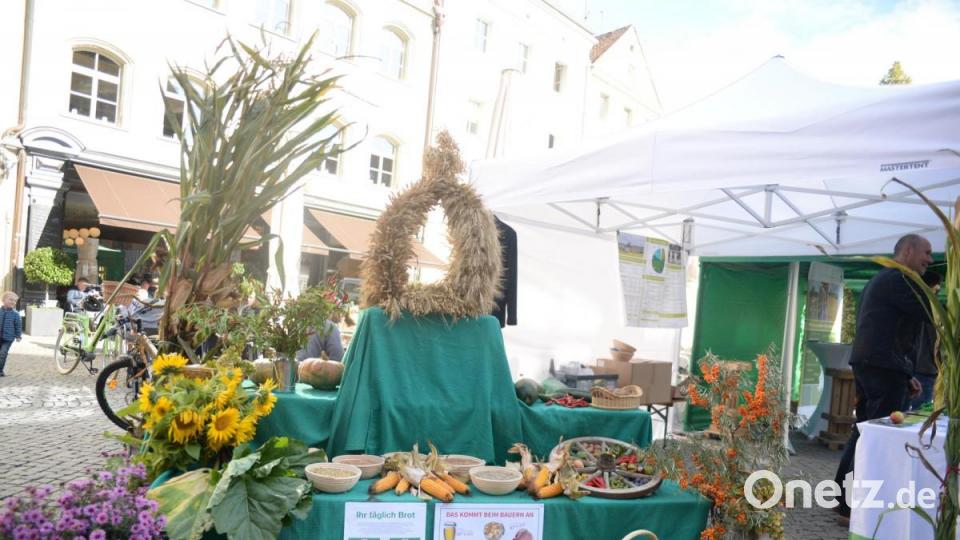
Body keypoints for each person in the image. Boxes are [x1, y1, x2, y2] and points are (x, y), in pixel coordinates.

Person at [834, 233, 933, 519]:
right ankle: (854, 506)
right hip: (881, 365)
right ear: (909, 250)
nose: (929, 259)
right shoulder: (898, 280)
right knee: (876, 436)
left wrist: (905, 375)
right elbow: (928, 312)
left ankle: (843, 500)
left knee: (863, 431)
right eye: (926, 253)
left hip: (874, 363)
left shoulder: (883, 278)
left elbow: (887, 330)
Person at [908, 270, 942, 410]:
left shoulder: (913, 303)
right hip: (925, 368)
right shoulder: (930, 309)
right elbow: (935, 339)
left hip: (914, 367)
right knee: (919, 414)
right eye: (937, 286)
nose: (939, 289)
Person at [0, 291, 22, 377]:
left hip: (8, 338)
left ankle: (0, 370)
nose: (13, 302)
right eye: (11, 300)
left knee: (2, 353)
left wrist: (18, 335)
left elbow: (18, 326)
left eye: (15, 301)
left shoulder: (16, 314)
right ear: (3, 300)